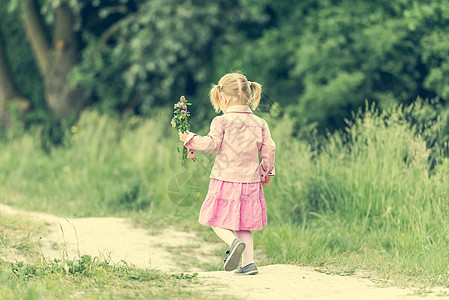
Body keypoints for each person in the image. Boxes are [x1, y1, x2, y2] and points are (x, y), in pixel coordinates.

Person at [179, 72, 276, 275]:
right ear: (249, 96)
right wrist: (266, 171)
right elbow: (269, 149)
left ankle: (233, 243)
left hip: (225, 179)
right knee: (244, 225)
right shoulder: (260, 123)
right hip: (250, 182)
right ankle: (249, 264)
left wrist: (190, 139)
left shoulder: (221, 121)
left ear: (222, 97)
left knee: (213, 219)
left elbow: (212, 144)